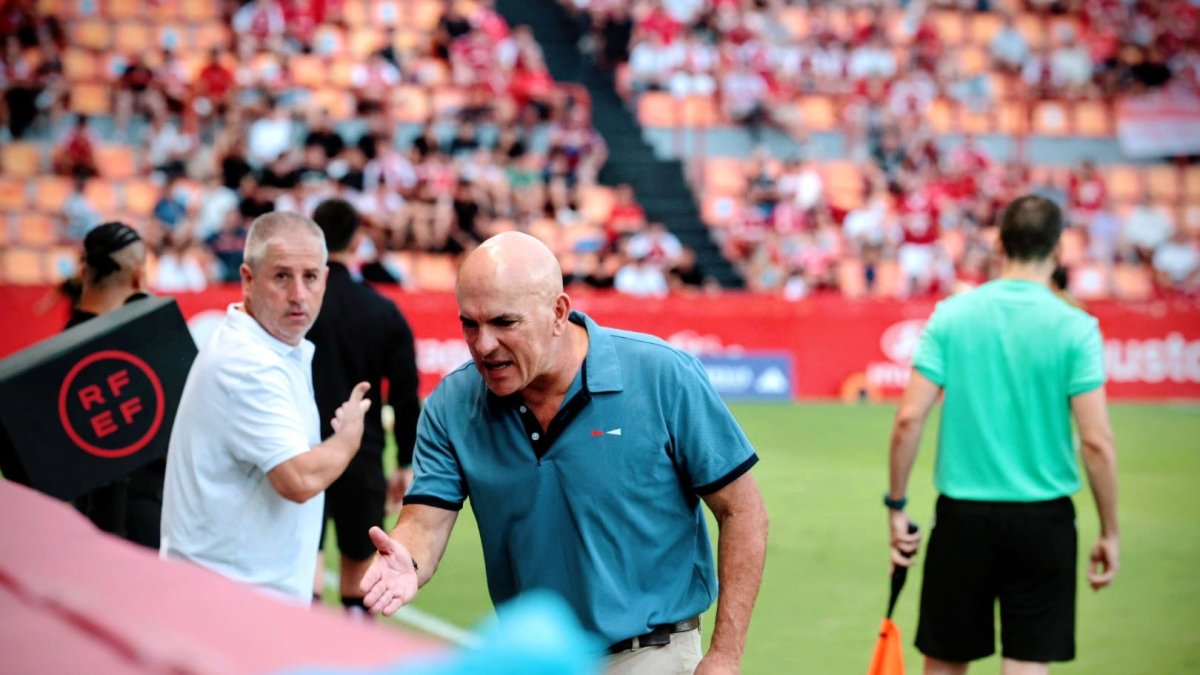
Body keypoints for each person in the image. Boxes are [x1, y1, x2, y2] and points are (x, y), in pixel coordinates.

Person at [359, 232, 769, 674]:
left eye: (504, 323)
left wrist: (725, 656)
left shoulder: (662, 375)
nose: (483, 344)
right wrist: (407, 558)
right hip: (535, 662)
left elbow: (743, 511)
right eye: (469, 324)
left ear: (558, 313)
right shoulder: (452, 404)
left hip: (650, 655)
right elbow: (425, 520)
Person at [886, 195, 1120, 675]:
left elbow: (909, 418)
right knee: (1027, 664)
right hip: (1044, 519)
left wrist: (896, 505)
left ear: (999, 243)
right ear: (1058, 248)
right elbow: (1096, 443)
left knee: (946, 661)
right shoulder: (1076, 327)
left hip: (962, 517)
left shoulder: (951, 314)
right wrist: (1110, 530)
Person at [160, 211, 372, 603]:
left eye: (310, 277)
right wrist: (348, 438)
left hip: (234, 597)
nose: (298, 294)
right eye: (281, 276)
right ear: (247, 279)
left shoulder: (272, 348)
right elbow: (299, 480)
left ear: (325, 280)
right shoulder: (249, 364)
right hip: (228, 603)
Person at [306, 198, 421, 613]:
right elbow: (406, 394)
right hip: (362, 455)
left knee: (305, 569)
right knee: (360, 574)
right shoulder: (383, 310)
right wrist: (406, 461)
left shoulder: (300, 308)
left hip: (301, 455)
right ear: (357, 242)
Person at [64, 222, 164, 550]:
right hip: (145, 518)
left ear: (84, 271)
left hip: (77, 527)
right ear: (139, 278)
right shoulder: (149, 349)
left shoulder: (60, 352)